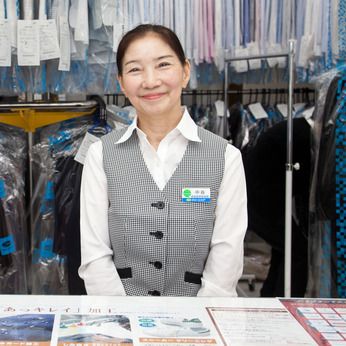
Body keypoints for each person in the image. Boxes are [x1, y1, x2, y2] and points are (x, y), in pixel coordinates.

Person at [79, 24, 247, 296]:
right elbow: (95, 256)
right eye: (135, 69)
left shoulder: (226, 157)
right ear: (121, 82)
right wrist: (123, 324)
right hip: (123, 324)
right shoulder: (100, 155)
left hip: (198, 323)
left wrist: (197, 328)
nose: (150, 81)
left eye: (163, 65)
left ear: (185, 71)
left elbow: (226, 257)